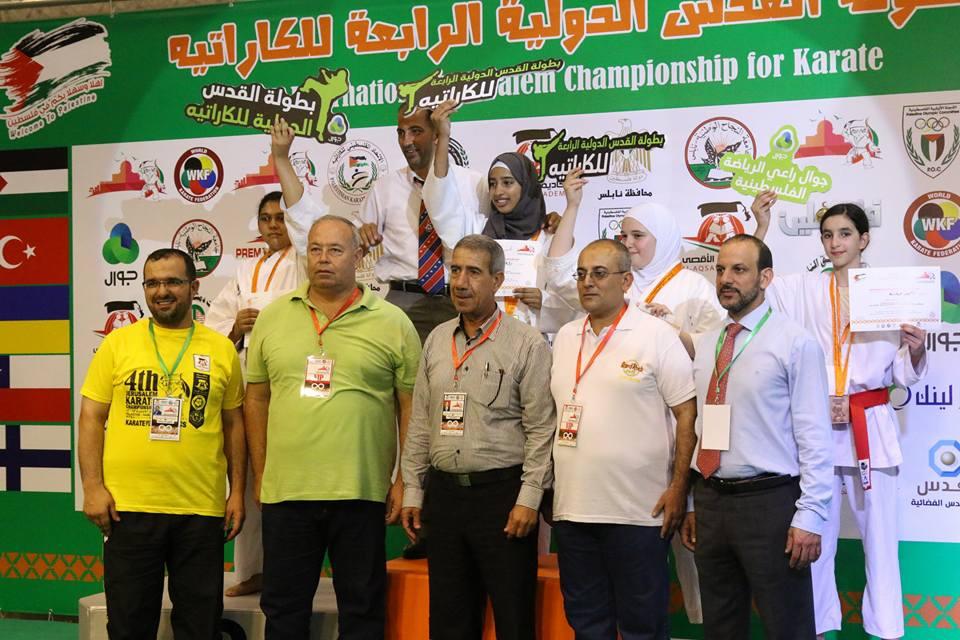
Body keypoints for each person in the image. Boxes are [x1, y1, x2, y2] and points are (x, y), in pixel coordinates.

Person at [752, 192, 928, 640]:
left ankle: (886, 630)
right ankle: (817, 628)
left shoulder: (889, 293)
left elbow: (902, 374)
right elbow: (758, 284)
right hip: (818, 430)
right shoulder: (805, 290)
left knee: (881, 542)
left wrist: (915, 348)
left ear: (863, 239)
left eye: (845, 234)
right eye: (828, 235)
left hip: (870, 424)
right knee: (816, 537)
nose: (835, 243)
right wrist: (762, 226)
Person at [244, 215, 421, 639]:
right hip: (288, 493)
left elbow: (411, 404)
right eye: (316, 249)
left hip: (360, 491)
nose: (323, 259)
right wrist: (262, 471)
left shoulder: (392, 321)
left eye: (336, 250)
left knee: (362, 610)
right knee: (284, 611)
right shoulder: (272, 317)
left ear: (358, 257)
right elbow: (256, 398)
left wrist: (404, 480)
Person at [547, 197, 723, 622]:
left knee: (642, 623)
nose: (588, 283)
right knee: (586, 621)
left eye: (599, 274)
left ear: (624, 281)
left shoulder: (661, 330)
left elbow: (688, 411)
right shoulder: (566, 336)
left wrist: (680, 488)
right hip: (573, 511)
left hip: (639, 510)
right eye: (582, 274)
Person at [78, 248, 246, 640]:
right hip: (128, 509)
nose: (161, 291)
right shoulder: (118, 344)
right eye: (152, 283)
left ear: (194, 287)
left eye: (172, 281)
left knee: (200, 626)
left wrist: (237, 491)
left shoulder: (221, 348)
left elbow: (234, 424)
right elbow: (91, 417)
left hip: (200, 509)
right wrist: (92, 487)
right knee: (129, 625)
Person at [400, 234, 556, 640]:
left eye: (473, 272)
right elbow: (421, 421)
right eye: (455, 270)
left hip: (501, 499)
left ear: (497, 280)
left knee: (513, 620)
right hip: (444, 499)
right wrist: (414, 490)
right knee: (448, 622)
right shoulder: (436, 339)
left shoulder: (527, 343)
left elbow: (542, 429)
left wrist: (529, 499)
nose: (460, 282)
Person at [679, 234, 833, 637]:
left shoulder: (795, 342)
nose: (726, 279)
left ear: (765, 278)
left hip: (770, 504)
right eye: (720, 270)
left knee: (787, 627)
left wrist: (811, 515)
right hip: (711, 500)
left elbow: (815, 437)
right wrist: (693, 502)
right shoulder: (708, 342)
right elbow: (701, 428)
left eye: (739, 270)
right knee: (721, 627)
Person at [275, 105, 488, 344]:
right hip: (403, 301)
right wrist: (362, 235)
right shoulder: (385, 187)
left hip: (460, 300)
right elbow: (346, 245)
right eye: (401, 132)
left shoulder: (474, 183)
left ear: (437, 134)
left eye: (416, 131)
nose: (406, 141)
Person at [206, 190, 305, 597]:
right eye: (266, 218)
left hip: (290, 377)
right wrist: (236, 328)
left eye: (281, 217)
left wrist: (273, 323)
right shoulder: (246, 270)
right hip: (249, 379)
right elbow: (213, 326)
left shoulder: (304, 262)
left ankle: (288, 569)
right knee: (247, 473)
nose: (273, 225)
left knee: (287, 471)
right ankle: (251, 570)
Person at [425, 101, 578, 333]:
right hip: (483, 337)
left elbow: (573, 297)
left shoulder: (548, 236)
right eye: (493, 184)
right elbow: (442, 203)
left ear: (526, 186)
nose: (498, 192)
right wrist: (443, 137)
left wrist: (544, 301)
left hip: (533, 341)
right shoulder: (478, 232)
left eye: (508, 183)